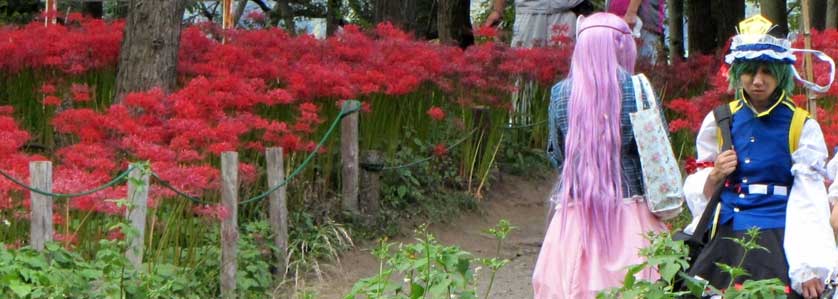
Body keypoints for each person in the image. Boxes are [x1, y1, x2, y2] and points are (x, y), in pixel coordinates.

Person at [681, 15, 837, 299]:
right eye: (749, 71)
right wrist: (714, 174)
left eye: (767, 71)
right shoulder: (719, 120)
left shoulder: (801, 126)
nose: (757, 80)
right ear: (737, 71)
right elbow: (700, 185)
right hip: (726, 236)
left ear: (782, 74)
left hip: (779, 236)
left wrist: (809, 264)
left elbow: (809, 197)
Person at [532, 12, 667, 298]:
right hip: (634, 214)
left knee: (568, 285)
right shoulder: (638, 89)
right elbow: (653, 153)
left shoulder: (560, 94)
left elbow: (558, 154)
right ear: (622, 46)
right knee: (637, 286)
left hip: (575, 213)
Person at [483, 0, 585, 48]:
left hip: (566, 11)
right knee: (526, 73)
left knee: (565, 73)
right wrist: (497, 10)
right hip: (529, 14)